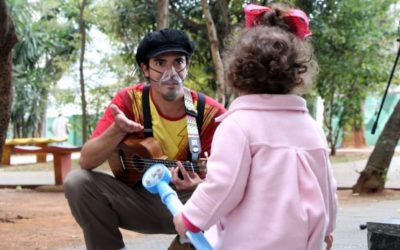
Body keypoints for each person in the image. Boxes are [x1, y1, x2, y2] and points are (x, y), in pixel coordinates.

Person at [173, 3, 338, 250]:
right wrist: (327, 228)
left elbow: (222, 187)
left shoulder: (238, 126)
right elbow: (328, 190)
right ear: (297, 74)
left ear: (237, 73)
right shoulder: (311, 128)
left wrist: (189, 219)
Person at [63, 28, 226, 250]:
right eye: (160, 63)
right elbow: (86, 162)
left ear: (187, 65)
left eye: (178, 62)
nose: (171, 73)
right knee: (77, 182)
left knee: (220, 202)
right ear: (145, 68)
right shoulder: (129, 101)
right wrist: (117, 130)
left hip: (191, 204)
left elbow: (231, 177)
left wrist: (203, 185)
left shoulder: (209, 113)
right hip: (137, 201)